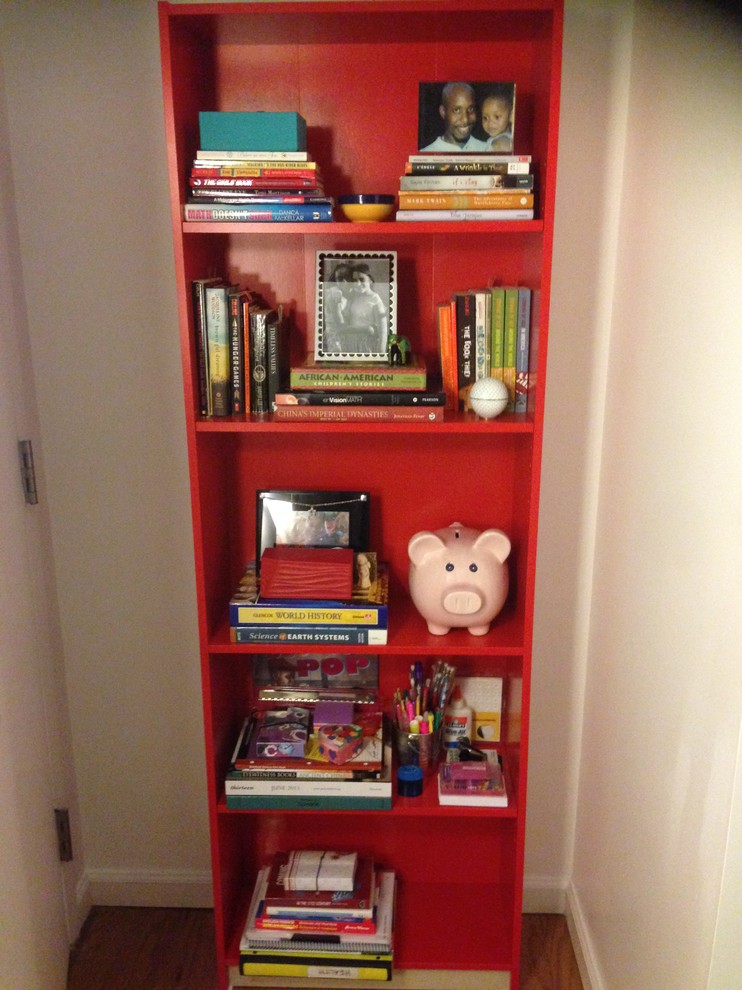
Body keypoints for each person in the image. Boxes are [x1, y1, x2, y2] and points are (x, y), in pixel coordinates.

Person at [420, 82, 489, 152]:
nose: (465, 120)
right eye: (457, 110)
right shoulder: (425, 153)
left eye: (470, 109)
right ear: (443, 112)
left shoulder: (487, 149)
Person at [345, 264, 389, 353]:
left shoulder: (375, 300)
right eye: (354, 280)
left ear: (370, 281)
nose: (357, 283)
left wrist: (380, 357)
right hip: (352, 344)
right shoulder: (354, 298)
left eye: (361, 279)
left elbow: (383, 334)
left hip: (366, 346)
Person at [480, 86, 514, 152]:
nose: (490, 123)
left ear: (510, 116)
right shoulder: (497, 139)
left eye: (497, 117)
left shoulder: (502, 142)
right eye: (485, 118)